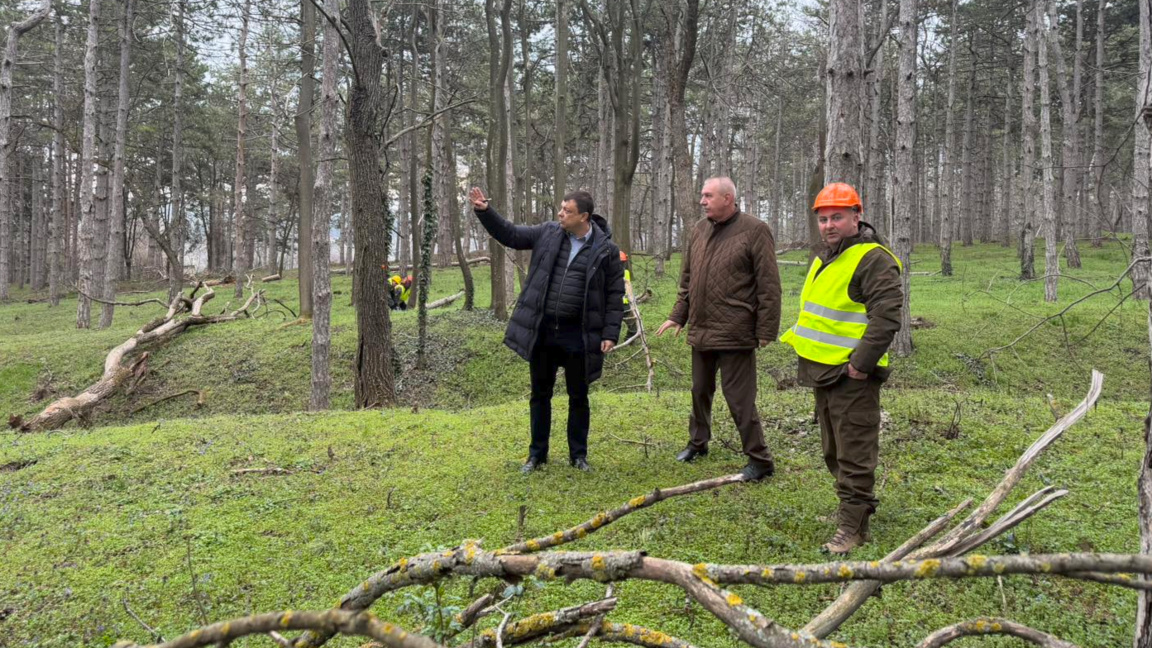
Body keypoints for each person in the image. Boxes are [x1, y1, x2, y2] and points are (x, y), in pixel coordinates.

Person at [779, 182, 903, 555]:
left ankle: (854, 527)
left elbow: (887, 316)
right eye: (823, 219)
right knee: (834, 449)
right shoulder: (827, 255)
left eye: (837, 217)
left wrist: (860, 366)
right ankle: (852, 511)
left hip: (852, 374)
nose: (829, 225)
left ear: (856, 217)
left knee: (854, 451)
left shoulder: (874, 258)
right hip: (825, 371)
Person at [468, 186, 625, 473]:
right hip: (544, 332)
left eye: (567, 211)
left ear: (584, 217)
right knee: (540, 395)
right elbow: (512, 235)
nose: (560, 214)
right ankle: (537, 455)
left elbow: (615, 295)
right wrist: (484, 211)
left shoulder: (606, 251)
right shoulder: (548, 232)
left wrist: (610, 333)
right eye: (561, 208)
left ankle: (578, 456)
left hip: (579, 334)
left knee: (579, 397)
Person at [655, 176, 781, 482]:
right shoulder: (698, 230)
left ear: (728, 198)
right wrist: (678, 316)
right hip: (701, 328)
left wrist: (766, 330)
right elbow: (688, 281)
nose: (702, 200)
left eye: (708, 195)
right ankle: (698, 444)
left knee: (739, 398)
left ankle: (760, 459)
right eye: (702, 195)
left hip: (736, 331)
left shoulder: (755, 230)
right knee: (700, 391)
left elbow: (769, 285)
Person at [620, 251, 638, 340]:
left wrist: (631, 299)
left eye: (623, 263)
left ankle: (629, 339)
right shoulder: (607, 273)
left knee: (633, 325)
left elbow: (628, 285)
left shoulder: (626, 272)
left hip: (625, 304)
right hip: (612, 304)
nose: (621, 265)